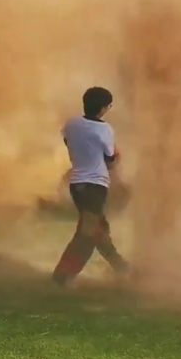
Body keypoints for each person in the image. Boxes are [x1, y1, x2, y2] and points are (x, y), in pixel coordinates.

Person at [52, 86, 130, 285]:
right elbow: (111, 160)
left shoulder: (71, 124)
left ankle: (122, 269)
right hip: (95, 184)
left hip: (77, 183)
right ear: (103, 108)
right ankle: (63, 276)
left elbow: (68, 141)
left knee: (98, 230)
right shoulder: (104, 129)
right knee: (88, 233)